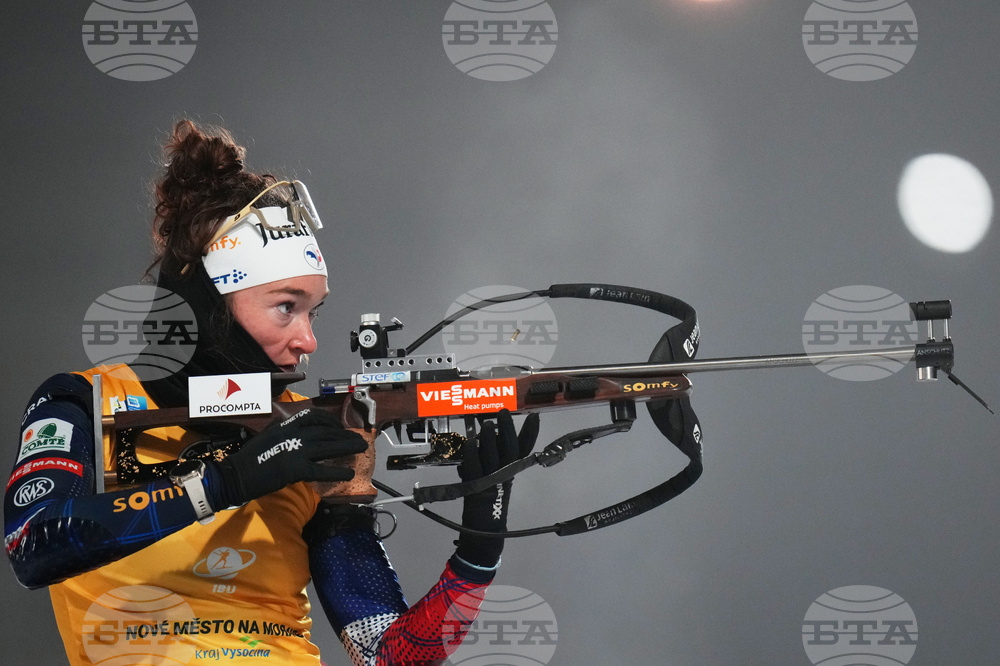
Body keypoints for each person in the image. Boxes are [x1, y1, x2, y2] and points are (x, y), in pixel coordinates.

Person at [4, 119, 539, 665]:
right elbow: (32, 544)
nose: (308, 340)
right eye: (286, 307)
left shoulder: (308, 436)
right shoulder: (84, 402)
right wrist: (229, 481)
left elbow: (388, 655)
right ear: (207, 303)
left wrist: (478, 553)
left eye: (313, 312)